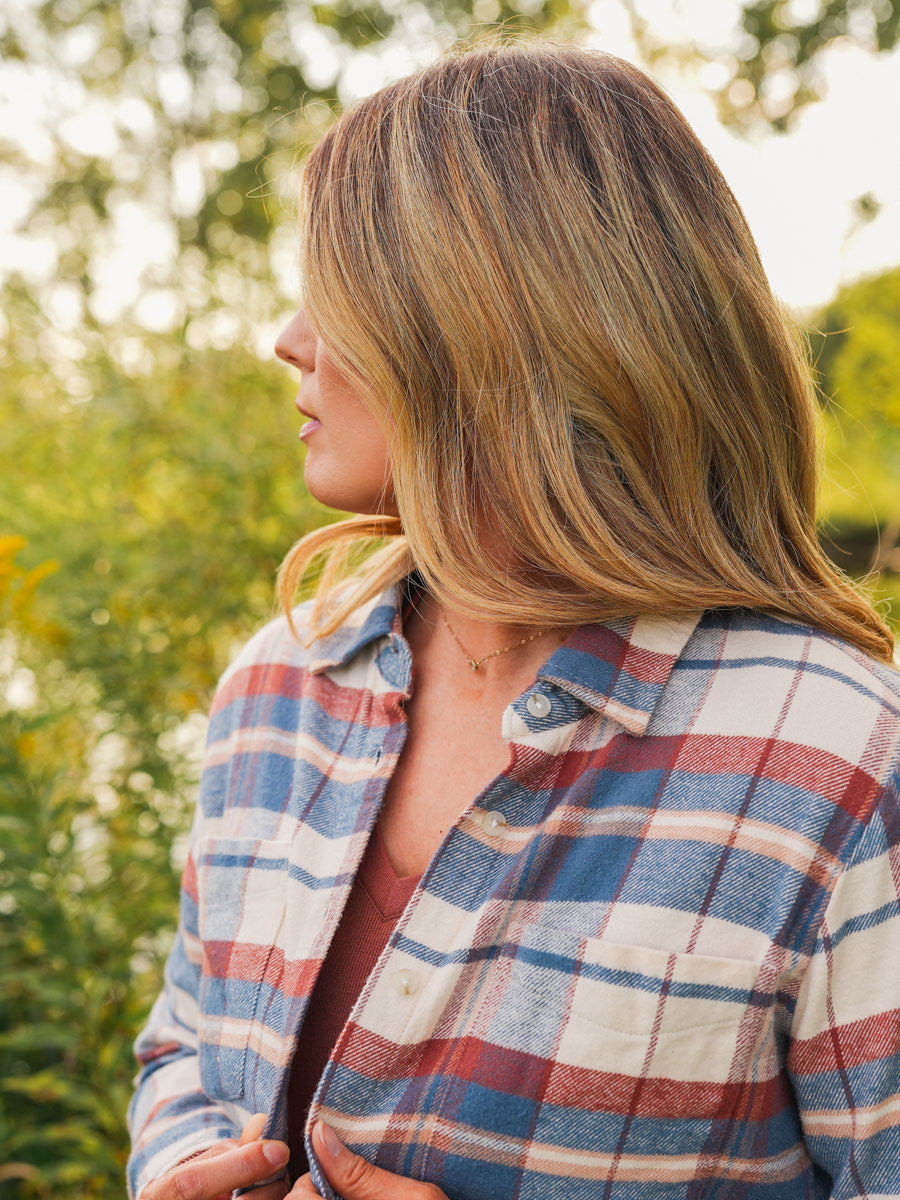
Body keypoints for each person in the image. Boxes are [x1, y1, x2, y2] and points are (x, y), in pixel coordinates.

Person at [125, 32, 900, 1200]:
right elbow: (185, 1039)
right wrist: (183, 1163)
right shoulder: (276, 687)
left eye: (333, 295)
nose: (287, 340)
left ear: (485, 324)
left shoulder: (842, 761)